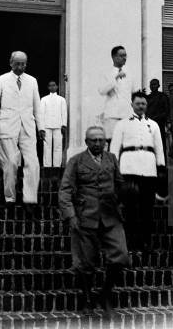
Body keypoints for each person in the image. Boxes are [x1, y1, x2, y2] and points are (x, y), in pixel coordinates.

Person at [58, 126, 129, 316]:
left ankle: (105, 294)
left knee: (120, 255)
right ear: (86, 141)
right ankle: (88, 298)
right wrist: (70, 215)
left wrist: (120, 202)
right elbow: (65, 190)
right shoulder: (76, 161)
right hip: (85, 217)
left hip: (110, 217)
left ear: (105, 141)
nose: (98, 144)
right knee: (86, 263)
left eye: (101, 140)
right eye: (93, 140)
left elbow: (120, 184)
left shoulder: (112, 159)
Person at [0, 51, 44, 206]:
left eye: (23, 63)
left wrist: (41, 127)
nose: (20, 67)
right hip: (7, 125)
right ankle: (10, 198)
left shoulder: (32, 81)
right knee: (11, 162)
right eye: (17, 63)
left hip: (27, 126)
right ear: (11, 63)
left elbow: (37, 106)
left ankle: (30, 199)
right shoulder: (2, 80)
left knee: (33, 163)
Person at [110, 91, 165, 250]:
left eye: (143, 104)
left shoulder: (153, 125)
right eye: (138, 103)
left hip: (149, 169)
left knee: (147, 207)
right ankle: (130, 241)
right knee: (130, 206)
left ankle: (146, 241)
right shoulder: (122, 124)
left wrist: (160, 168)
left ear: (147, 105)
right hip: (128, 168)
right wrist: (114, 168)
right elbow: (114, 148)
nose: (141, 106)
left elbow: (159, 148)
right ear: (132, 104)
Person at [98, 45, 139, 145]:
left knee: (126, 143)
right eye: (121, 55)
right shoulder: (107, 73)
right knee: (112, 143)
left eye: (125, 55)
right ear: (114, 57)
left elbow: (134, 92)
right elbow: (102, 91)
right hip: (112, 114)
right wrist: (115, 78)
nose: (124, 58)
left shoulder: (130, 73)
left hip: (127, 113)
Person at [39, 80, 67, 167]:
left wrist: (64, 125)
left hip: (58, 126)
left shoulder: (62, 99)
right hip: (47, 126)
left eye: (54, 85)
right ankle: (47, 165)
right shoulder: (44, 99)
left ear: (57, 87)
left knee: (58, 146)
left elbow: (64, 113)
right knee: (47, 147)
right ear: (48, 87)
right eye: (50, 86)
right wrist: (41, 128)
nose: (52, 87)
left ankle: (57, 166)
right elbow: (41, 114)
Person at [146, 78, 170, 151]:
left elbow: (167, 111)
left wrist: (159, 118)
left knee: (161, 144)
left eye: (154, 84)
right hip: (149, 124)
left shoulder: (163, 96)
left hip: (160, 123)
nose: (153, 86)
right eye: (151, 85)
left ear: (158, 85)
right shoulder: (148, 97)